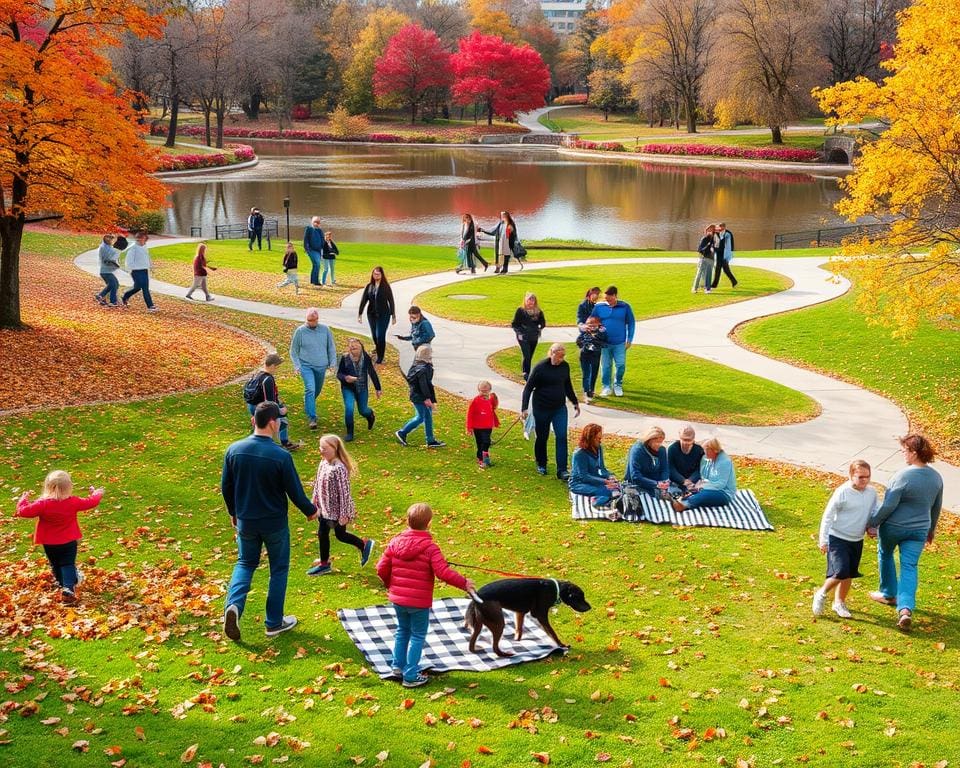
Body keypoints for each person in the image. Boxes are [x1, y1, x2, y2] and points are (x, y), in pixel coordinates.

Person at [221, 402, 319, 642]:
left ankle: (233, 606)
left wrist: (234, 511)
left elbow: (227, 487)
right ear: (273, 424)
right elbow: (294, 490)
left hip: (246, 521)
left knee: (245, 563)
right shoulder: (280, 456)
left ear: (254, 421)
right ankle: (274, 622)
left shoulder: (234, 450)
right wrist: (310, 511)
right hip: (274, 523)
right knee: (278, 569)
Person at [376, 502, 475, 688]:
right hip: (418, 602)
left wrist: (392, 585)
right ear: (429, 524)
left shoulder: (394, 542)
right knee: (417, 635)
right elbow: (443, 572)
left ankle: (397, 666)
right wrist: (464, 583)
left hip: (398, 599)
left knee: (402, 631)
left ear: (407, 520)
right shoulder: (431, 548)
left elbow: (381, 568)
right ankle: (411, 674)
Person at [867, 434, 944, 631]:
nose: (903, 454)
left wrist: (873, 523)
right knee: (910, 566)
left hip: (894, 527)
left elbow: (888, 505)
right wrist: (931, 530)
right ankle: (905, 609)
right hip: (919, 529)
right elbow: (936, 507)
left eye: (905, 451)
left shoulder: (902, 476)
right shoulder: (936, 478)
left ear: (914, 453)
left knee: (885, 554)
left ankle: (888, 594)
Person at [16, 470, 103, 605]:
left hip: (49, 543)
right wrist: (96, 493)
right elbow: (91, 502)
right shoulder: (73, 502)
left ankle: (62, 583)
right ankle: (68, 587)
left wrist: (23, 500)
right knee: (67, 563)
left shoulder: (42, 504)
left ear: (48, 487)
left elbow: (23, 512)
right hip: (69, 541)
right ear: (69, 487)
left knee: (55, 563)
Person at [812, 460, 878, 619]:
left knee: (849, 573)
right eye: (860, 477)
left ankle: (839, 603)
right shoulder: (842, 492)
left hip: (856, 540)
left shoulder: (871, 493)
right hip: (838, 538)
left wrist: (873, 527)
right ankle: (821, 594)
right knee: (841, 571)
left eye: (867, 477)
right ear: (851, 475)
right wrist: (823, 540)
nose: (865, 480)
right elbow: (827, 516)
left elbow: (875, 511)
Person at [306, 434, 375, 576]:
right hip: (324, 509)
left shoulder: (339, 468)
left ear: (335, 448)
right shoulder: (323, 463)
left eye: (324, 448)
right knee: (324, 534)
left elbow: (345, 493)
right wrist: (314, 501)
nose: (321, 450)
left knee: (339, 535)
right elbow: (317, 483)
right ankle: (325, 564)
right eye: (320, 447)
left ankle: (363, 545)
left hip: (336, 512)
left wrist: (343, 514)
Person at [521, 343, 580, 480]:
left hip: (559, 408)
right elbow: (528, 388)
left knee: (561, 436)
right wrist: (524, 408)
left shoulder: (565, 367)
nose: (561, 359)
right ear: (551, 353)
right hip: (541, 408)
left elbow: (567, 385)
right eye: (559, 356)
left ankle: (562, 469)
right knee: (542, 437)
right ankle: (541, 463)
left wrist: (575, 402)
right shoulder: (540, 368)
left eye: (563, 356)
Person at [289, 308, 338, 430]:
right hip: (306, 366)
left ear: (317, 319)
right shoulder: (300, 331)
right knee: (310, 389)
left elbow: (331, 347)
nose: (312, 323)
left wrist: (332, 363)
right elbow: (293, 351)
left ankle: (308, 402)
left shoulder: (325, 330)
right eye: (309, 320)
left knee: (316, 390)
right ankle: (312, 417)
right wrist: (297, 366)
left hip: (321, 366)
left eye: (314, 320)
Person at [243, 353, 301, 451]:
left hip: (252, 405)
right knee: (282, 419)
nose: (277, 369)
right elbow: (269, 401)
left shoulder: (256, 374)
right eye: (277, 367)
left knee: (259, 425)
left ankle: (256, 442)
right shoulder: (268, 379)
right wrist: (280, 410)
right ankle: (282, 442)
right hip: (263, 407)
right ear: (273, 366)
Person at [395, 345, 444, 448]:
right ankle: (402, 432)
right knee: (421, 417)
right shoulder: (423, 369)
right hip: (420, 397)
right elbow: (424, 385)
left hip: (418, 396)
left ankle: (430, 439)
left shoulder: (417, 366)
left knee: (427, 417)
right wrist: (427, 399)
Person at [590, 286, 635, 398]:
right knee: (606, 366)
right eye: (606, 299)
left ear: (615, 296)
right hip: (604, 343)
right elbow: (592, 321)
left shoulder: (625, 306)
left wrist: (629, 339)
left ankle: (617, 384)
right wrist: (594, 332)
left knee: (621, 365)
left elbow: (631, 323)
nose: (608, 302)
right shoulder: (599, 307)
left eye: (609, 299)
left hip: (620, 343)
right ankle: (606, 387)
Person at [670, 437, 737, 512]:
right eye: (704, 449)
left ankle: (684, 505)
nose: (704, 452)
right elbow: (704, 476)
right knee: (692, 490)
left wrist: (703, 486)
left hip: (723, 493)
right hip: (709, 488)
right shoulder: (706, 459)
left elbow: (721, 484)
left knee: (704, 495)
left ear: (714, 450)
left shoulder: (725, 462)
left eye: (706, 449)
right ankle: (680, 500)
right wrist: (698, 485)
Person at [336, 338, 382, 442]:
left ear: (361, 347)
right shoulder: (345, 358)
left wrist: (378, 388)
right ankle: (350, 433)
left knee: (363, 410)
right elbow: (339, 374)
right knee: (349, 408)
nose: (353, 349)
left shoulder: (365, 358)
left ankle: (370, 415)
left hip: (362, 388)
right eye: (351, 347)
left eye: (355, 347)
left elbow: (372, 372)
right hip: (348, 388)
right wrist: (346, 378)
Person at [569, 423, 620, 508]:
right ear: (591, 438)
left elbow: (602, 468)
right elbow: (584, 476)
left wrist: (610, 476)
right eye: (598, 438)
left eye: (600, 438)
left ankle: (608, 500)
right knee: (606, 491)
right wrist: (604, 482)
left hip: (594, 479)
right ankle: (598, 502)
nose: (600, 441)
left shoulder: (599, 448)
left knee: (616, 488)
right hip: (579, 484)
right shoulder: (579, 454)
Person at [357, 266, 396, 365]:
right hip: (372, 314)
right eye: (374, 274)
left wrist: (393, 315)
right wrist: (360, 313)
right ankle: (378, 349)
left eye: (378, 274)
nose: (376, 276)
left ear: (382, 275)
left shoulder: (386, 286)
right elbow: (364, 300)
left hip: (384, 314)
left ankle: (380, 356)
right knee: (374, 336)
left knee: (380, 336)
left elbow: (391, 301)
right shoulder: (369, 286)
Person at [625, 426, 670, 498]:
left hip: (656, 484)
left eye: (661, 442)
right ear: (649, 440)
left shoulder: (661, 450)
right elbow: (635, 476)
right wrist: (656, 484)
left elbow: (664, 469)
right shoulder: (637, 450)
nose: (659, 445)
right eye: (657, 442)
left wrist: (664, 481)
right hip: (639, 484)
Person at [511, 292, 546, 381]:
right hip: (523, 337)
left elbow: (542, 322)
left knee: (530, 355)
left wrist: (539, 327)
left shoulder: (538, 311)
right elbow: (515, 324)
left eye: (532, 300)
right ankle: (526, 373)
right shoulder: (520, 310)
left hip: (533, 336)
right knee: (527, 355)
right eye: (528, 300)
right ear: (525, 301)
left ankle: (527, 372)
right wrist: (520, 332)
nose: (530, 302)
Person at [466, 380, 499, 469]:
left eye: (486, 391)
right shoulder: (475, 401)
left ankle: (485, 459)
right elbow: (470, 414)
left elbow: (494, 407)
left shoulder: (490, 399)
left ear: (489, 390)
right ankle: (480, 458)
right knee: (480, 442)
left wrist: (495, 399)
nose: (483, 393)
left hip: (488, 426)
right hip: (477, 426)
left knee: (486, 442)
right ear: (478, 390)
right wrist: (469, 427)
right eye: (481, 391)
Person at [121, 230, 158, 311]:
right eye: (138, 240)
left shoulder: (145, 246)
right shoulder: (133, 248)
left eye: (141, 239)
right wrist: (131, 270)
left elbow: (147, 257)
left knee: (137, 287)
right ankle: (150, 306)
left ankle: (125, 296)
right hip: (136, 271)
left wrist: (151, 266)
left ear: (145, 239)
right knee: (145, 288)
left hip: (144, 270)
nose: (140, 241)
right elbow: (128, 261)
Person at [575, 315, 607, 402]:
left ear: (599, 325)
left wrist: (596, 340)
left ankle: (591, 390)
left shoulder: (601, 334)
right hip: (584, 355)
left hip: (595, 356)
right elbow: (578, 341)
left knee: (594, 373)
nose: (592, 327)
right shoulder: (584, 333)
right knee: (586, 374)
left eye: (594, 325)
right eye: (589, 325)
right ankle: (586, 392)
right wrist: (584, 345)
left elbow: (604, 342)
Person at [667, 425, 705, 494]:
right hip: (675, 481)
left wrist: (690, 481)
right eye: (684, 440)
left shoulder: (699, 450)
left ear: (693, 439)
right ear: (680, 438)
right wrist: (683, 481)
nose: (686, 443)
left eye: (689, 440)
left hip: (693, 482)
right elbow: (670, 468)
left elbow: (700, 469)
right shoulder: (672, 448)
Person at [95, 234, 121, 307]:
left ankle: (100, 295)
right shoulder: (103, 247)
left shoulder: (108, 247)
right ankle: (113, 301)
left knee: (114, 284)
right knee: (114, 285)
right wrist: (114, 263)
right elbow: (106, 259)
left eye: (111, 239)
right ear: (105, 239)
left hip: (107, 271)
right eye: (109, 238)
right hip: (105, 271)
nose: (111, 240)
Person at [711, 222, 737, 289]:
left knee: (725, 270)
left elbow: (728, 246)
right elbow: (715, 242)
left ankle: (734, 281)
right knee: (718, 269)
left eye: (721, 227)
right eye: (719, 227)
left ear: (724, 227)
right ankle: (715, 284)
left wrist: (727, 257)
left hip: (725, 254)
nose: (720, 228)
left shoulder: (728, 234)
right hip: (719, 254)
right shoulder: (717, 233)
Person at [693, 225, 715, 294]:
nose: (710, 232)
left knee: (709, 274)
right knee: (699, 273)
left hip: (711, 259)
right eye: (709, 231)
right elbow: (699, 250)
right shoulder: (704, 239)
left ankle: (707, 289)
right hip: (703, 258)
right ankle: (694, 288)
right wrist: (708, 246)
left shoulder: (715, 239)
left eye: (712, 231)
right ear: (707, 231)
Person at [303, 216, 325, 286]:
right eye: (315, 222)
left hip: (318, 250)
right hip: (311, 250)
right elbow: (305, 239)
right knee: (317, 264)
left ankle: (313, 280)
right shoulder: (309, 229)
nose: (317, 223)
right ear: (312, 222)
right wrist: (307, 249)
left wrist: (323, 248)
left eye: (318, 222)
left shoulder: (320, 230)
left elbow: (322, 240)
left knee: (316, 265)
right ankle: (316, 281)